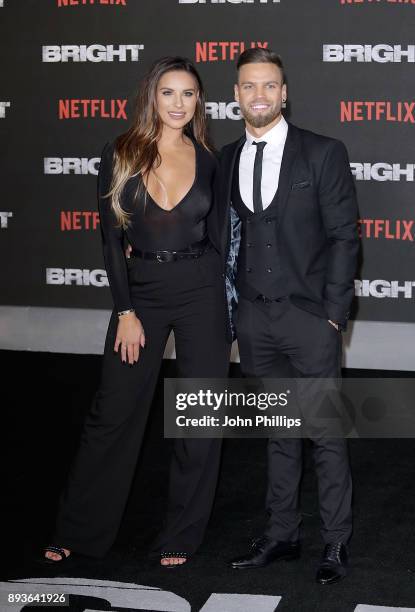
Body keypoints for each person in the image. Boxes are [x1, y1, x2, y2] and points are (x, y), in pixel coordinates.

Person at [43, 56, 231, 568]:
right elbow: (110, 239)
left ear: (199, 101)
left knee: (199, 413)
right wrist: (125, 309)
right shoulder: (120, 151)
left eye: (188, 94)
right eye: (168, 93)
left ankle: (182, 535)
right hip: (142, 293)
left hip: (202, 291)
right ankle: (79, 529)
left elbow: (220, 236)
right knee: (114, 412)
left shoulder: (210, 159)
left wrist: (229, 305)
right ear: (152, 97)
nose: (178, 104)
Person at [217, 48, 359, 584]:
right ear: (236, 96)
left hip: (309, 319)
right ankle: (282, 534)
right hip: (254, 320)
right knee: (279, 431)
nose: (259, 95)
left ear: (284, 93)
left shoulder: (323, 152)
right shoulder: (226, 158)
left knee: (323, 433)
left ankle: (336, 541)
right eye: (249, 86)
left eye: (269, 85)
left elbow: (345, 237)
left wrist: (333, 315)